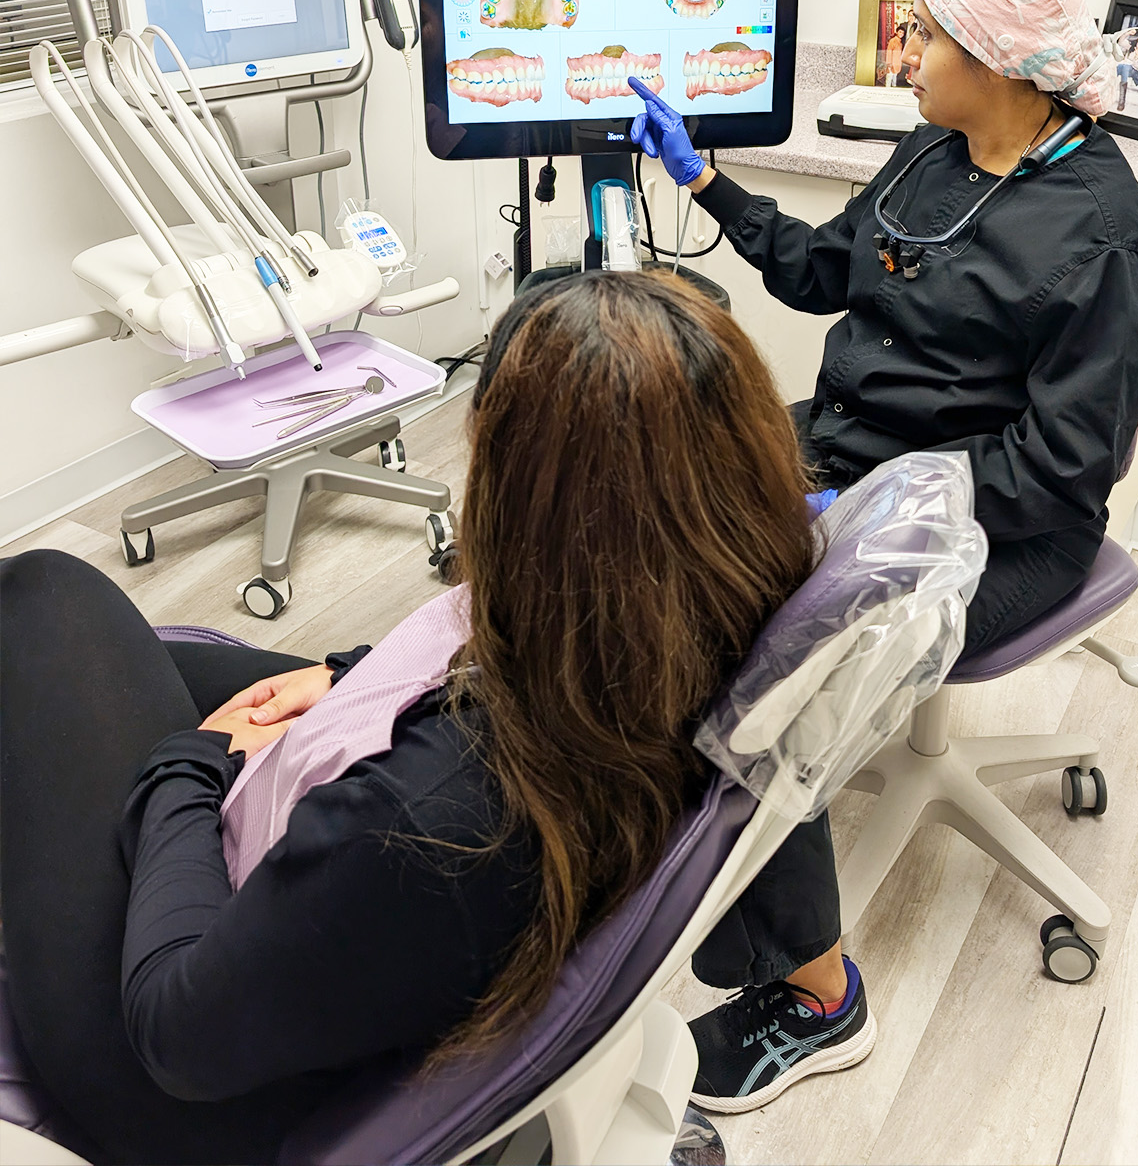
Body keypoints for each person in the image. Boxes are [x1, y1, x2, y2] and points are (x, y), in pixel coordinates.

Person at [1, 273, 868, 1166]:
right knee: (104, 654)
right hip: (395, 923)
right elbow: (471, 644)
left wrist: (191, 762)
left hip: (180, 1079)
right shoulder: (718, 620)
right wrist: (347, 677)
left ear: (514, 498)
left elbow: (175, 1035)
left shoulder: (431, 814)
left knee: (43, 595)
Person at [631, 0, 1138, 1110]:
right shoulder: (931, 152)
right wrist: (706, 180)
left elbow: (1060, 470)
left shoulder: (1102, 239)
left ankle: (818, 998)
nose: (903, 54)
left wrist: (870, 506)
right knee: (648, 509)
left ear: (996, 59)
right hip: (847, 453)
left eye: (924, 36)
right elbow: (823, 272)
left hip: (1002, 529)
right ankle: (634, 825)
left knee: (758, 655)